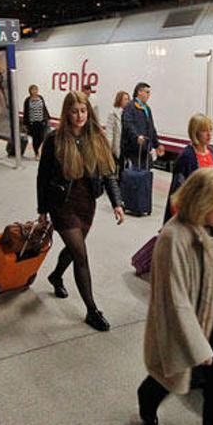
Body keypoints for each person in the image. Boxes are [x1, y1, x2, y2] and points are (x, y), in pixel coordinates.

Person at [138, 167, 213, 425]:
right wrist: (199, 345)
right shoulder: (174, 237)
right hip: (190, 328)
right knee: (170, 376)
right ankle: (147, 397)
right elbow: (175, 299)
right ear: (205, 201)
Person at [36, 91, 124, 331]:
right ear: (66, 113)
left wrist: (117, 203)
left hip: (86, 204)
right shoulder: (55, 139)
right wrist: (42, 210)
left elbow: (107, 173)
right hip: (62, 204)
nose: (79, 116)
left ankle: (55, 276)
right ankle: (92, 310)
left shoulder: (97, 138)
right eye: (74, 111)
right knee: (81, 255)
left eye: (83, 111)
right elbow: (43, 177)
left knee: (75, 250)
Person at [164, 113, 213, 223]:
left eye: (210, 130)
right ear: (195, 133)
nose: (209, 134)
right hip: (191, 212)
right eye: (204, 131)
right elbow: (177, 189)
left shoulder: (212, 153)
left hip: (208, 211)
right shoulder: (187, 156)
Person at [121, 82, 165, 168]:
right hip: (133, 150)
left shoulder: (147, 108)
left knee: (144, 175)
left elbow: (151, 128)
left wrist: (157, 144)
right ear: (139, 92)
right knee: (132, 176)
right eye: (147, 92)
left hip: (145, 150)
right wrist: (136, 137)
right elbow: (128, 125)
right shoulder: (130, 106)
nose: (149, 95)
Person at [22, 85, 51, 159]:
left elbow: (44, 108)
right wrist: (25, 124)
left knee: (41, 137)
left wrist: (48, 118)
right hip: (33, 122)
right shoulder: (28, 100)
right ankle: (36, 153)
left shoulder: (40, 98)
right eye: (33, 90)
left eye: (36, 89)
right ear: (30, 91)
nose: (35, 91)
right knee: (35, 138)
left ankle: (39, 150)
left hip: (41, 121)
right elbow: (26, 112)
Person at [106, 90, 129, 165]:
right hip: (117, 145)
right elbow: (109, 132)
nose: (128, 101)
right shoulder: (113, 114)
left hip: (127, 146)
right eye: (125, 99)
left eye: (128, 99)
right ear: (119, 100)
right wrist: (109, 147)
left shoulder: (130, 114)